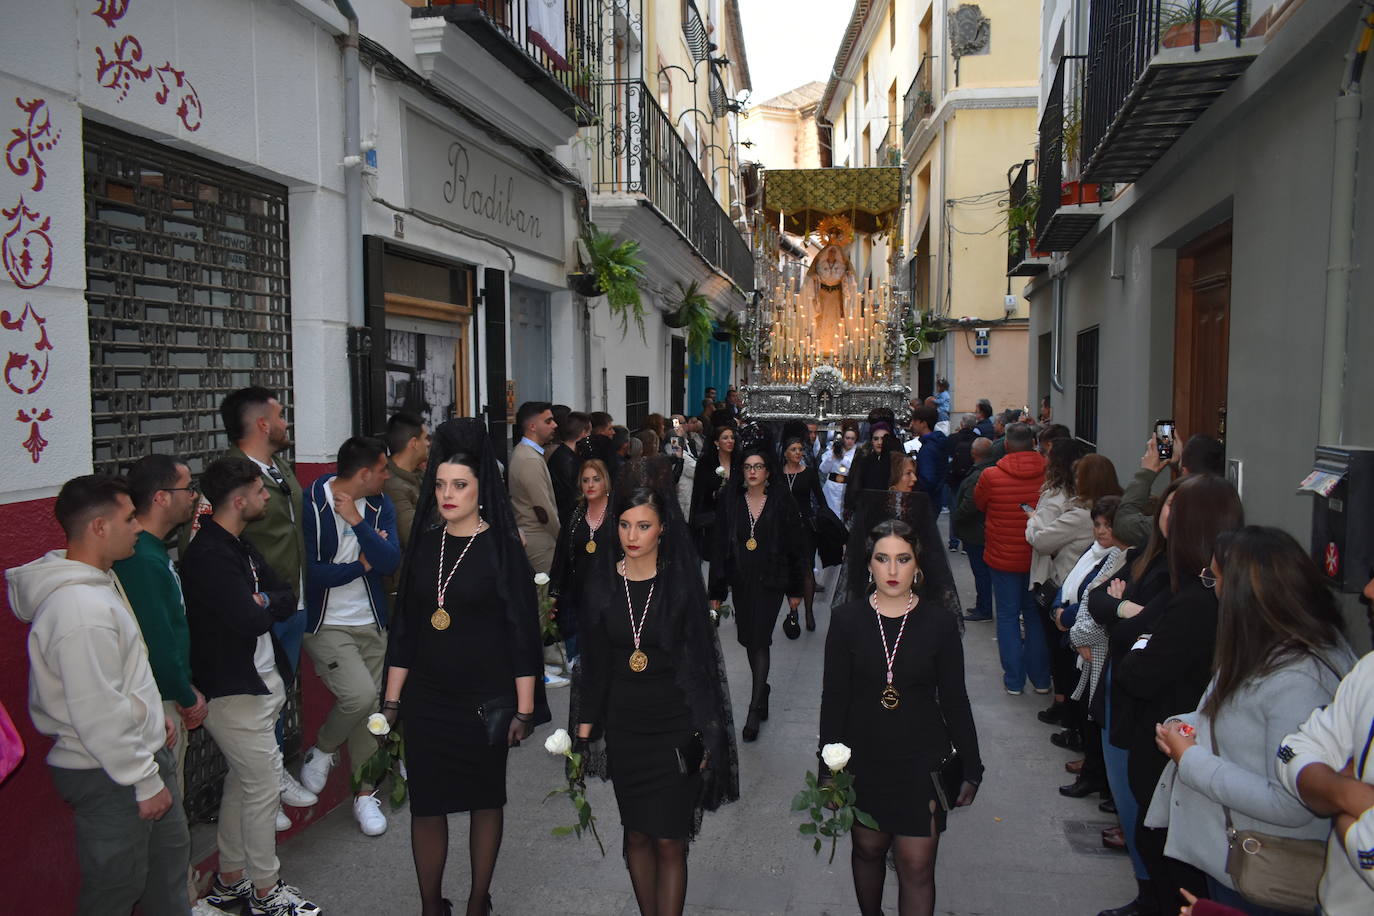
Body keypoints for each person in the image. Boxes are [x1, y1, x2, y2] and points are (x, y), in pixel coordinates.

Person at [383, 418, 549, 916]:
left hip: (485, 702)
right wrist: (391, 703)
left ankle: (478, 900)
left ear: (481, 490)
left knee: (484, 800)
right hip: (428, 699)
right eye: (439, 485)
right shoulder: (424, 547)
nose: (446, 495)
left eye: (460, 486)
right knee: (427, 806)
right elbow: (406, 631)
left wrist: (523, 710)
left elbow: (522, 633)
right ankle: (431, 905)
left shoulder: (501, 550)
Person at [1147, 526, 1357, 915]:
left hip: (1264, 869)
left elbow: (1293, 801)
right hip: (1236, 859)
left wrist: (1189, 759)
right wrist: (1187, 723)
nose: (1212, 588)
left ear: (1244, 591)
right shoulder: (1265, 647)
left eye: (1216, 577)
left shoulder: (1299, 680)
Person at [6, 475, 191, 916]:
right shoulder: (78, 610)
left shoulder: (99, 584)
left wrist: (150, 719)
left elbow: (119, 679)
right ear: (99, 528)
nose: (137, 528)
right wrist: (143, 779)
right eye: (129, 519)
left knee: (165, 877)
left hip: (134, 760)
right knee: (116, 888)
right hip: (110, 775)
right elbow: (97, 710)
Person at [573, 458, 740, 916]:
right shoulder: (603, 586)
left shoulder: (680, 587)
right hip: (627, 731)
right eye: (624, 524)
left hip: (674, 730)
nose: (631, 536)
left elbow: (700, 670)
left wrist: (708, 733)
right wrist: (583, 735)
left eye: (643, 526)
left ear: (663, 528)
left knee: (670, 840)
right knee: (637, 835)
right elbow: (595, 669)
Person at [819, 518, 982, 916]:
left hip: (921, 760)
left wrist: (972, 768)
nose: (892, 571)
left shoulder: (940, 623)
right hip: (865, 757)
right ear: (868, 564)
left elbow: (956, 698)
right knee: (868, 849)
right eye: (883, 559)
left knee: (917, 865)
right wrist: (828, 770)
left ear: (918, 564)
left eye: (903, 559)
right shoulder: (846, 621)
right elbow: (834, 699)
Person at [185, 458, 320, 916]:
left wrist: (262, 600)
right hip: (234, 692)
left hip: (260, 686)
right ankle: (266, 890)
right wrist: (261, 603)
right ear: (239, 499)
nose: (267, 497)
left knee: (243, 786)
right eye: (260, 491)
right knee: (262, 788)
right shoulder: (209, 554)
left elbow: (284, 594)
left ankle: (228, 881)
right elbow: (249, 616)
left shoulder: (239, 545)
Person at [1111, 474, 1245, 915]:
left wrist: (1137, 639)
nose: (1165, 517)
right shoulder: (1201, 590)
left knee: (1170, 863)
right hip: (1172, 740)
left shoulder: (1198, 599)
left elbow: (1137, 666)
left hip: (1170, 743)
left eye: (1177, 511)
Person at [215, 386, 317, 813]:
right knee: (257, 708)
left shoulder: (278, 468)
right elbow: (212, 543)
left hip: (290, 604)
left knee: (277, 700)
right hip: (258, 611)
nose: (286, 422)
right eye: (280, 414)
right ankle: (265, 791)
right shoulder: (230, 475)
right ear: (262, 424)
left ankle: (272, 779)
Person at [1088, 477, 1182, 915]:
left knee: (1144, 805)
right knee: (1130, 796)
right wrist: (1126, 609)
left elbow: (1131, 629)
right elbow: (1097, 601)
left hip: (1148, 704)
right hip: (1116, 688)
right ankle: (1147, 892)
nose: (1167, 518)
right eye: (1166, 508)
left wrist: (1121, 612)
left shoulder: (1183, 582)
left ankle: (1154, 896)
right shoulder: (1149, 557)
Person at [299, 436, 401, 837]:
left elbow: (390, 561)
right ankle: (323, 748)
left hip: (371, 621)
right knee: (358, 696)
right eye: (382, 470)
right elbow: (310, 573)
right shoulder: (311, 503)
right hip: (327, 623)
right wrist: (359, 567)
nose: (387, 476)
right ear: (363, 473)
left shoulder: (378, 505)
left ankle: (364, 794)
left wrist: (359, 524)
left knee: (372, 710)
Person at [115, 455, 205, 796]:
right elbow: (157, 639)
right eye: (188, 488)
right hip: (160, 700)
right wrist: (185, 694)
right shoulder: (141, 559)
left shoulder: (151, 550)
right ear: (161, 498)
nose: (194, 496)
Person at [709, 436, 806, 742]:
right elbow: (721, 546)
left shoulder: (780, 500)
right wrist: (717, 591)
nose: (752, 472)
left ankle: (753, 708)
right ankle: (762, 688)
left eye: (758, 467)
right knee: (749, 639)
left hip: (772, 580)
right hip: (741, 579)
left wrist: (795, 591)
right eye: (748, 467)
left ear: (768, 471)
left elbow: (795, 546)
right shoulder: (730, 499)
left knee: (761, 637)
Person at [1276, 652, 1374, 916]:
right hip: (1334, 905)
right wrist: (1348, 795)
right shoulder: (1370, 669)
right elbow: (1294, 749)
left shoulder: (1302, 674)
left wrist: (1347, 821)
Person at [1059, 496, 1132, 801]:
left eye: (1108, 525)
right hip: (1089, 645)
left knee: (1096, 717)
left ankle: (1097, 778)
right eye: (1098, 525)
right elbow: (1086, 595)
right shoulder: (1106, 555)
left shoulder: (1122, 559)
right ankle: (1094, 771)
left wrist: (1078, 634)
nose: (1102, 531)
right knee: (1091, 716)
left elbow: (1101, 607)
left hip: (1097, 649)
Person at [1025, 439, 1095, 740]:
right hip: (1066, 580)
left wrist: (1031, 523)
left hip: (1059, 582)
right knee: (1060, 649)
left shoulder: (1065, 503)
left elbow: (1040, 538)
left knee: (1059, 648)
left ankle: (1063, 704)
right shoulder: (1074, 501)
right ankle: (1062, 702)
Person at [974, 423, 1049, 696]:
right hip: (1037, 557)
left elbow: (979, 504)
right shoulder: (1048, 473)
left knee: (1006, 617)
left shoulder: (991, 475)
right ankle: (1041, 679)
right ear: (1033, 443)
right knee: (1034, 617)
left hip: (1003, 556)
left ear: (1005, 444)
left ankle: (1014, 680)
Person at [550, 457, 614, 669]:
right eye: (585, 480)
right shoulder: (574, 516)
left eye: (596, 479)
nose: (590, 485)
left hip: (610, 597)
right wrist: (554, 594)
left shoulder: (617, 515)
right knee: (581, 667)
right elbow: (561, 557)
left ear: (605, 481)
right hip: (578, 597)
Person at [1115, 433, 1226, 548]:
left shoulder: (1181, 519)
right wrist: (1179, 465)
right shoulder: (1227, 507)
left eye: (1170, 504)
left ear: (1185, 471)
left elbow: (1123, 525)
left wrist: (1147, 472)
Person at [781, 435, 844, 632]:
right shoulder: (777, 475)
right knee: (787, 569)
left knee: (807, 568)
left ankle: (808, 612)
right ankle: (793, 610)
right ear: (785, 453)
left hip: (805, 526)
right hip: (784, 527)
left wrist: (826, 522)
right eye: (794, 449)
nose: (798, 453)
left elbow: (820, 499)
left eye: (800, 449)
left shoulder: (808, 473)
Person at [508, 401, 561, 575]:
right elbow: (543, 509)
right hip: (539, 541)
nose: (554, 425)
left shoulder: (526, 453)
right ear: (532, 426)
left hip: (535, 537)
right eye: (548, 421)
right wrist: (562, 538)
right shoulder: (529, 459)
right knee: (546, 597)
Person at [952, 437, 995, 622]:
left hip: (976, 531)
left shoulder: (979, 474)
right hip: (979, 528)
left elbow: (971, 503)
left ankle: (984, 608)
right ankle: (983, 606)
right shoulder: (986, 471)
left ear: (973, 453)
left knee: (981, 572)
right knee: (982, 572)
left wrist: (957, 516)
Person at [689, 422, 737, 561]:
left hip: (736, 516)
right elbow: (700, 492)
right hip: (714, 518)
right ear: (717, 442)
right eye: (725, 438)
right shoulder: (707, 463)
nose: (730, 441)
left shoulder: (738, 461)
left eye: (732, 438)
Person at [384, 411, 431, 551]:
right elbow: (413, 536)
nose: (428, 443)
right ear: (414, 443)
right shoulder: (392, 486)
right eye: (425, 438)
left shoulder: (418, 475)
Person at [943, 414, 979, 551]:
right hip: (971, 478)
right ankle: (966, 543)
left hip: (955, 479)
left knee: (954, 510)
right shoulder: (977, 440)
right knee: (969, 509)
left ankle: (953, 541)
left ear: (962, 424)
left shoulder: (952, 438)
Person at [548, 411, 589, 527]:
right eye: (590, 432)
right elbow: (574, 495)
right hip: (568, 519)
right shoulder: (567, 460)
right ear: (583, 433)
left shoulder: (565, 455)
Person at [909, 405, 948, 511]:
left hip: (927, 501)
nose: (912, 424)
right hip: (935, 499)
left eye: (915, 421)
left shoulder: (928, 448)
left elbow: (927, 479)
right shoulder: (936, 443)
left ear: (923, 424)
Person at [820, 420, 860, 519]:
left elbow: (855, 469)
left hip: (847, 488)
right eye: (847, 438)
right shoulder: (835, 448)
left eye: (852, 438)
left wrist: (842, 457)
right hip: (831, 488)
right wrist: (833, 455)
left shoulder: (858, 452)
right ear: (843, 437)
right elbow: (823, 469)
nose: (849, 441)